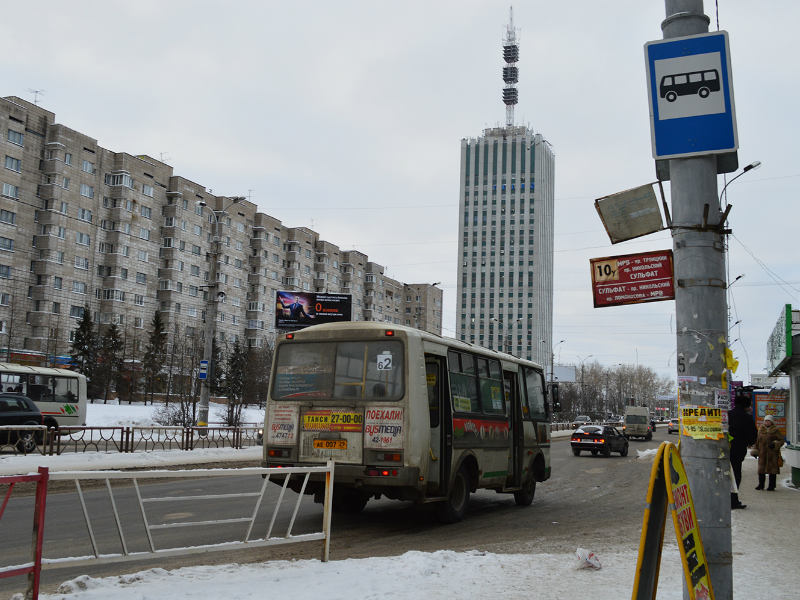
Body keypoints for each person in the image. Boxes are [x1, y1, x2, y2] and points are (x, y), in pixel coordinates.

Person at [728, 393, 757, 509]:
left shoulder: (728, 415)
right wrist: (749, 443)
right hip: (738, 450)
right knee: (736, 475)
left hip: (724, 449)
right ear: (746, 405)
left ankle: (723, 499)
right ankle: (733, 501)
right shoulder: (747, 418)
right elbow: (753, 435)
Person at [755, 414, 784, 491]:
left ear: (772, 422)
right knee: (761, 470)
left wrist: (775, 444)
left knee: (772, 470)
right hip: (762, 453)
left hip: (772, 454)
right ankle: (761, 485)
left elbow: (781, 440)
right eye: (766, 421)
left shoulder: (776, 430)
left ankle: (772, 486)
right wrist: (755, 451)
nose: (767, 422)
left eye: (768, 421)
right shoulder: (761, 429)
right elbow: (757, 441)